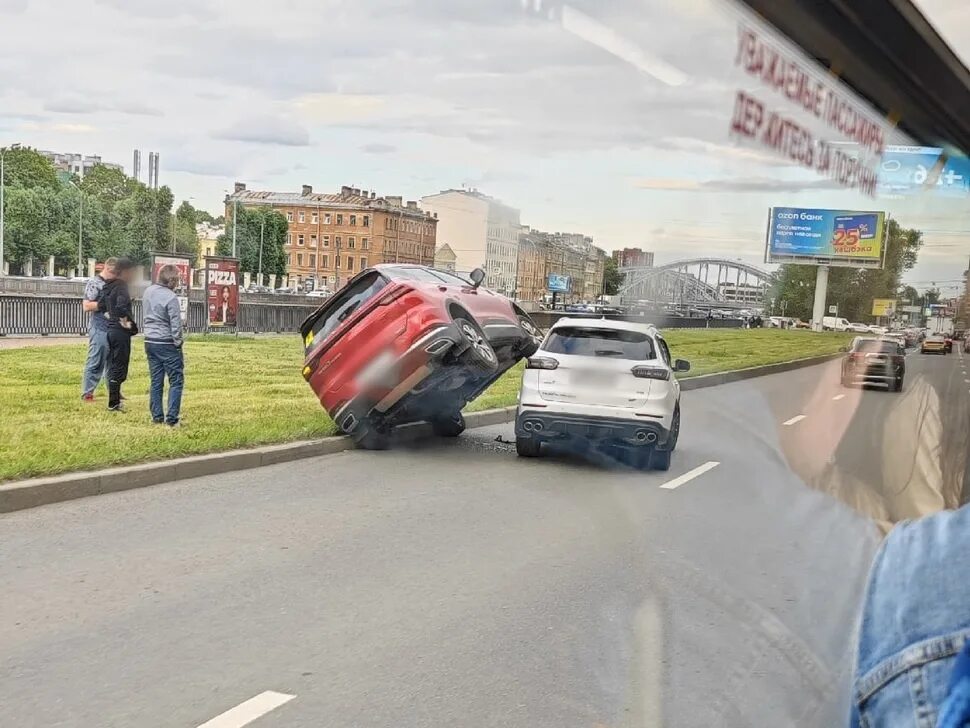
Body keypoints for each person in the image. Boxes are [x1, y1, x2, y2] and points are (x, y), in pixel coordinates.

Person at [143, 264, 185, 427]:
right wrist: (178, 342)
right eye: (178, 280)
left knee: (156, 380)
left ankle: (157, 416)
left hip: (150, 340)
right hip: (167, 342)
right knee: (176, 380)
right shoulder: (170, 297)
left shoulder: (148, 291)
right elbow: (175, 324)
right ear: (173, 281)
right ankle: (172, 419)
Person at [98, 258, 138, 412]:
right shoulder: (122, 287)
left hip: (110, 329)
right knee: (119, 365)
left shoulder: (108, 286)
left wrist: (111, 317)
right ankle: (113, 403)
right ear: (126, 272)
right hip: (120, 331)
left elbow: (101, 306)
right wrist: (130, 326)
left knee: (115, 363)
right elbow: (121, 308)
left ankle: (114, 400)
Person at [80, 258, 117, 401]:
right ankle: (87, 393)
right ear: (108, 269)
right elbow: (86, 306)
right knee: (96, 360)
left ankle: (114, 391)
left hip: (115, 328)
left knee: (114, 363)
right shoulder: (94, 283)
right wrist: (104, 304)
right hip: (99, 327)